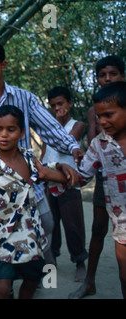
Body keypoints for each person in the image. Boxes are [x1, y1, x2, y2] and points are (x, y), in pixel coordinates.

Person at [0, 40, 84, 267]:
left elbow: (50, 129)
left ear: (3, 64)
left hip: (27, 181)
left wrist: (72, 147)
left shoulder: (25, 98)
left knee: (44, 226)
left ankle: (34, 274)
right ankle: (6, 284)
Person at [0, 105, 79, 299]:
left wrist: (62, 165)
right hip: (1, 236)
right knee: (2, 287)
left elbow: (47, 171)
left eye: (11, 130)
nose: (4, 135)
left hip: (31, 235)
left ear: (21, 133)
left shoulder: (28, 159)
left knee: (33, 280)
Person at [70, 55, 125, 299]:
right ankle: (89, 281)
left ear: (121, 76)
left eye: (112, 74)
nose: (107, 79)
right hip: (106, 176)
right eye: (102, 75)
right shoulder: (96, 112)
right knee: (99, 229)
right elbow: (95, 140)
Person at [40, 86, 87, 281]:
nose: (57, 108)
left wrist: (56, 122)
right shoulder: (46, 130)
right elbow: (44, 154)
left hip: (69, 181)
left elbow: (69, 141)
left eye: (61, 104)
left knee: (73, 224)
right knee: (51, 226)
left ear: (70, 103)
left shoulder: (78, 124)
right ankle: (52, 262)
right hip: (49, 180)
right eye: (53, 106)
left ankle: (80, 262)